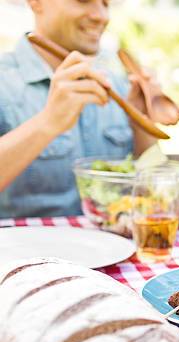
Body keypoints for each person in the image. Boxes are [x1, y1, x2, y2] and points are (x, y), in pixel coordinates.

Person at [0, 0, 157, 217]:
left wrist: (142, 125)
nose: (101, 16)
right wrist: (48, 122)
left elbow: (154, 193)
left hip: (111, 247)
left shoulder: (119, 87)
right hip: (22, 249)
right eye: (84, 0)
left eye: (106, 3)